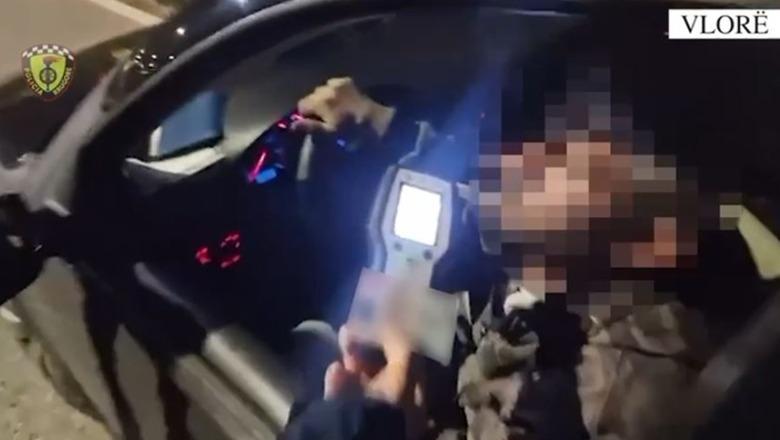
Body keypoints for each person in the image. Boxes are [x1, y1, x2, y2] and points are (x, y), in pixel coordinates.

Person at [282, 22, 777, 440]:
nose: (496, 184)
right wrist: (384, 122)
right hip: (475, 350)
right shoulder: (611, 257)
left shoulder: (617, 401)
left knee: (310, 347)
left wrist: (388, 422)